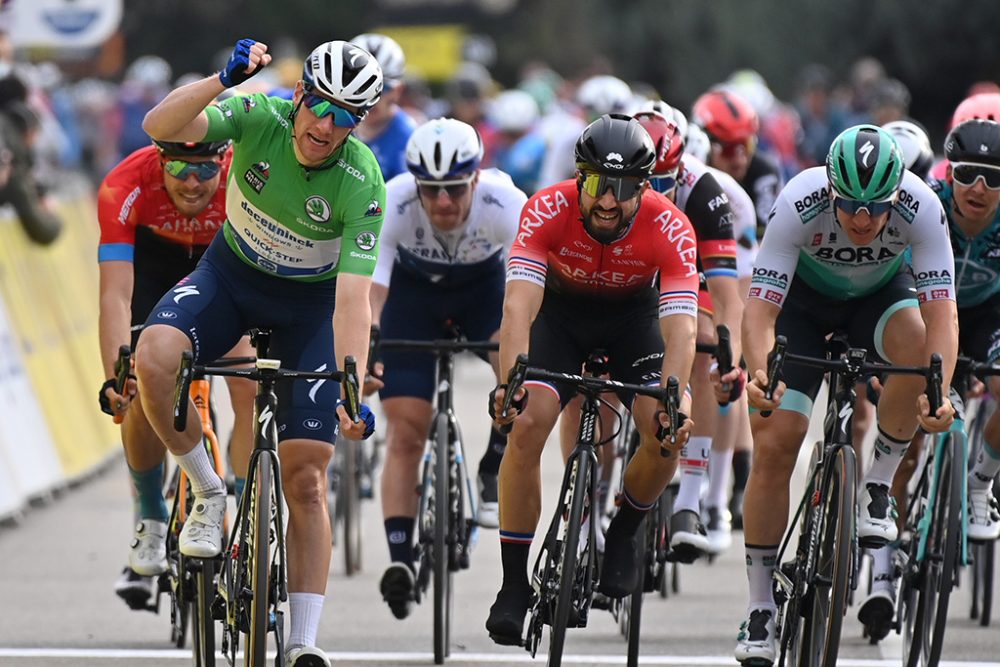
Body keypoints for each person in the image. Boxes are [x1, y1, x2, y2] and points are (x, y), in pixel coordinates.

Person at [128, 38, 383, 666]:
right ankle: (208, 489)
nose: (327, 127)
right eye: (321, 106)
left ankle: (302, 641)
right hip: (231, 282)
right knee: (155, 357)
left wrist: (350, 386)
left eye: (347, 117)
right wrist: (223, 80)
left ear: (361, 122)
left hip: (308, 313)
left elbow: (353, 301)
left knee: (307, 478)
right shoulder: (257, 115)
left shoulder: (362, 180)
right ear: (300, 95)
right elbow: (158, 125)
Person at [730, 124, 958, 665]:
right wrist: (761, 374)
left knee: (918, 347)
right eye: (849, 206)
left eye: (875, 208)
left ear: (897, 194)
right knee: (777, 443)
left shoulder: (922, 208)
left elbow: (942, 317)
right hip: (801, 306)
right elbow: (759, 311)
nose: (861, 219)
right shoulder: (798, 201)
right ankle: (761, 604)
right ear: (829, 189)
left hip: (877, 299)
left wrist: (939, 390)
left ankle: (878, 484)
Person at [485, 113, 698, 646]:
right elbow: (518, 309)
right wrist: (509, 382)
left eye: (624, 189)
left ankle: (624, 531)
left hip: (634, 323)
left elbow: (681, 328)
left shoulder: (670, 225)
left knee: (664, 431)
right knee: (526, 421)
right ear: (580, 177)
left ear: (644, 187)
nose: (609, 201)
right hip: (560, 318)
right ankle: (514, 583)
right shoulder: (547, 208)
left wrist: (675, 397)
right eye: (600, 184)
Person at [369, 117, 526, 620]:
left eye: (454, 189)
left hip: (484, 293)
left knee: (518, 368)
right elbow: (372, 292)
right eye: (430, 189)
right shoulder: (393, 200)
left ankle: (492, 462)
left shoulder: (505, 203)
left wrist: (520, 363)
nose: (442, 202)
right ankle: (401, 560)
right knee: (406, 433)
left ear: (476, 178)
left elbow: (529, 296)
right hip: (413, 301)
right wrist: (368, 349)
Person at [97, 137, 257, 609]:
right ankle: (149, 513)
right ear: (160, 161)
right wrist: (117, 370)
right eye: (181, 170)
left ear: (223, 163)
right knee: (141, 382)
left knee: (249, 382)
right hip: (153, 272)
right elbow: (115, 296)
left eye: (205, 171)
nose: (192, 183)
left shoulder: (247, 180)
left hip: (222, 273)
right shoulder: (124, 184)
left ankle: (248, 516)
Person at [858, 119, 1000, 639]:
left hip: (987, 319)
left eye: (993, 178)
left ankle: (979, 483)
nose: (979, 188)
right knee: (908, 440)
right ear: (948, 171)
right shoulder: (924, 202)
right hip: (923, 310)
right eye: (967, 174)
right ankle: (881, 571)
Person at [693, 89, 783, 242]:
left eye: (746, 145)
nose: (740, 160)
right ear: (704, 144)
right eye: (729, 149)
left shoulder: (764, 172)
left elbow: (765, 243)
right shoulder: (690, 172)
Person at [349, 33, 418, 182]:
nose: (370, 96)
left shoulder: (409, 141)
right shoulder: (326, 118)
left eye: (382, 87)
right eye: (361, 85)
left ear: (398, 90)